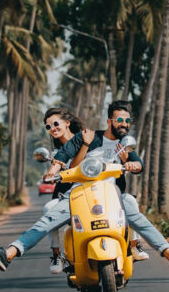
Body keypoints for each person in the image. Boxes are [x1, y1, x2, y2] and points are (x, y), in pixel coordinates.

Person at [0, 101, 169, 274]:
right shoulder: (85, 138)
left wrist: (132, 164)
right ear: (109, 121)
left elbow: (138, 163)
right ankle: (9, 253)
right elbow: (61, 158)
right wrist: (52, 171)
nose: (123, 123)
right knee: (47, 219)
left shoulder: (124, 144)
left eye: (126, 120)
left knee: (136, 213)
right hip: (78, 194)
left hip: (111, 195)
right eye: (119, 120)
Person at [42, 108, 149, 274]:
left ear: (67, 123)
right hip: (70, 193)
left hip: (96, 190)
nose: (53, 128)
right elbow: (61, 164)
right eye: (49, 127)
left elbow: (108, 158)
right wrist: (51, 172)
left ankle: (133, 246)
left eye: (56, 124)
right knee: (49, 209)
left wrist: (125, 162)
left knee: (128, 203)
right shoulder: (61, 150)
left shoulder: (88, 139)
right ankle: (57, 255)